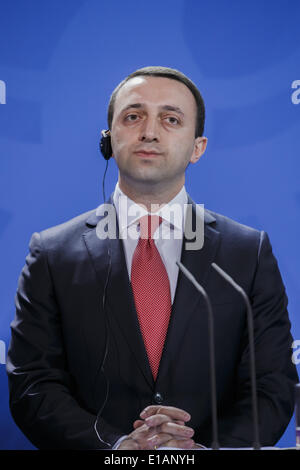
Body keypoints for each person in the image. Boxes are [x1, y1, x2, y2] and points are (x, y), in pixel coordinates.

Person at [6, 66, 298, 450]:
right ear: (108, 140)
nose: (149, 131)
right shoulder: (52, 252)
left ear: (198, 148)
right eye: (133, 116)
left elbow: (271, 384)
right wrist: (116, 448)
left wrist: (202, 453)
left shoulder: (248, 252)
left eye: (171, 119)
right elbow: (33, 383)